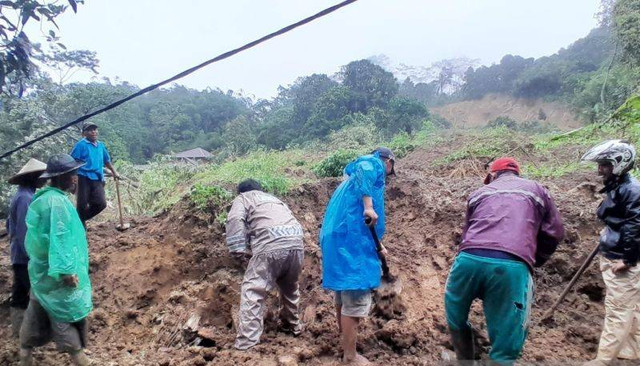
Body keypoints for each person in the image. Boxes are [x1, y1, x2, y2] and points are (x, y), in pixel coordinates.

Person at [445, 157, 564, 364]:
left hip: (468, 260)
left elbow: (466, 233)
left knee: (455, 314)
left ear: (492, 175)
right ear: (517, 174)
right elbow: (555, 232)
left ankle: (464, 360)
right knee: (507, 335)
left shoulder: (478, 193)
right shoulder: (536, 190)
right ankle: (499, 359)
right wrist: (533, 259)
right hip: (511, 265)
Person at [320, 147, 396, 365]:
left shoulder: (348, 183)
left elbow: (358, 221)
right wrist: (369, 206)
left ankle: (345, 343)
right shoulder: (371, 164)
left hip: (340, 238)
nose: (387, 175)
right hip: (351, 243)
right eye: (389, 170)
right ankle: (351, 357)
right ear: (388, 162)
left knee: (344, 295)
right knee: (355, 293)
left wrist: (378, 245)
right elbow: (365, 167)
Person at [19, 154, 92, 366]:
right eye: (73, 175)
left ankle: (24, 355)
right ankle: (80, 359)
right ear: (62, 177)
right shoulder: (56, 203)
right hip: (56, 274)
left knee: (36, 309)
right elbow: (59, 239)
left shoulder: (43, 198)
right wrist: (66, 271)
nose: (75, 179)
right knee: (64, 315)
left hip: (42, 272)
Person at [225, 179, 305, 350]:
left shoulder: (243, 199)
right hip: (297, 243)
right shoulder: (274, 199)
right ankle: (293, 326)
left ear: (241, 192)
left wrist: (237, 250)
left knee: (253, 290)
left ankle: (247, 342)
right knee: (290, 287)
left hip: (271, 245)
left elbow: (234, 219)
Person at [581, 140, 640, 365]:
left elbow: (635, 226)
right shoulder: (619, 186)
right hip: (615, 250)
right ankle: (631, 350)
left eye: (604, 164)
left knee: (619, 308)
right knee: (632, 306)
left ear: (619, 164)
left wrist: (628, 259)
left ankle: (603, 360)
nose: (599, 170)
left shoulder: (632, 190)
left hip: (622, 257)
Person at [6, 158, 47, 338]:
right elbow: (25, 232)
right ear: (33, 177)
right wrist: (33, 256)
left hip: (18, 255)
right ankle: (32, 334)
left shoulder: (22, 194)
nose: (45, 179)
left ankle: (18, 332)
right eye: (41, 176)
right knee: (37, 293)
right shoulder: (26, 198)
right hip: (24, 257)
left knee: (20, 293)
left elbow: (9, 225)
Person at [70, 122, 119, 224]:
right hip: (83, 177)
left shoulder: (101, 145)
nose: (93, 132)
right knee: (82, 204)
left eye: (95, 129)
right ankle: (80, 225)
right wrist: (73, 179)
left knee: (101, 203)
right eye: (90, 130)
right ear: (84, 134)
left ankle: (78, 220)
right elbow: (72, 161)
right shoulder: (80, 145)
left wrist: (114, 172)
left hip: (97, 178)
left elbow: (107, 160)